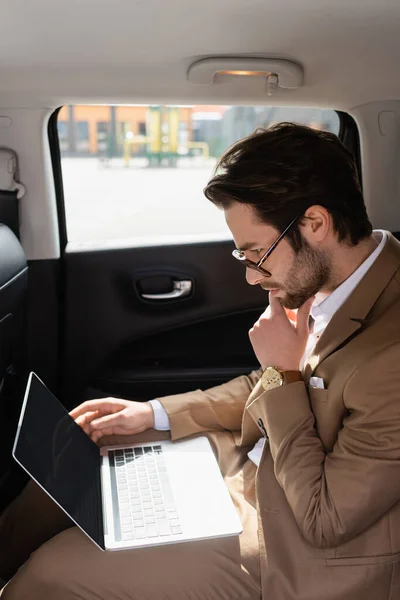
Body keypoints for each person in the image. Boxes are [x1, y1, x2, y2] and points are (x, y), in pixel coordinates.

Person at [2, 122, 400, 600]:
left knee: (49, 575)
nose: (253, 278)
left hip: (290, 541)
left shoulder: (390, 355)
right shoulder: (328, 278)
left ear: (316, 224)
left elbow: (324, 518)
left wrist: (286, 376)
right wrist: (153, 413)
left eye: (257, 253)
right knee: (75, 447)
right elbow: (267, 382)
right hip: (250, 461)